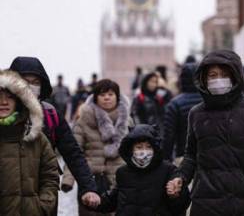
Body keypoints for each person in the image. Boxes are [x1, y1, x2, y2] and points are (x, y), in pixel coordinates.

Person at [167, 50, 244, 216]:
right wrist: (180, 177)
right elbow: (191, 155)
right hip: (205, 203)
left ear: (235, 76)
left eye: (224, 74)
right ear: (204, 79)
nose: (218, 79)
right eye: (212, 75)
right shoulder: (196, 113)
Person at [9, 56, 100, 209]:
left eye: (35, 82)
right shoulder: (3, 114)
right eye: (25, 81)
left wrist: (88, 187)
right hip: (8, 195)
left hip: (43, 194)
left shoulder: (51, 114)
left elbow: (73, 153)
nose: (30, 86)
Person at [62, 79, 131, 216]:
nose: (106, 97)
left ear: (117, 97)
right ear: (95, 97)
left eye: (110, 94)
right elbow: (74, 152)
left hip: (119, 181)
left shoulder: (127, 121)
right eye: (102, 94)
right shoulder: (83, 120)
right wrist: (68, 180)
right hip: (90, 181)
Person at [96, 124, 190, 216]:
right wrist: (93, 199)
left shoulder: (168, 170)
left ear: (155, 148)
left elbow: (180, 206)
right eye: (139, 147)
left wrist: (176, 196)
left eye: (148, 147)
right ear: (131, 149)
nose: (144, 151)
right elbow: (111, 201)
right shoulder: (123, 172)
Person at [0, 70, 58, 216]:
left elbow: (50, 176)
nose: (4, 102)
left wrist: (42, 206)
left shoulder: (35, 137)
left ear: (19, 100)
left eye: (10, 97)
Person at [163, 63, 202, 164]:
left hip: (183, 157)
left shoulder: (174, 104)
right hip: (209, 158)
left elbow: (168, 136)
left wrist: (166, 160)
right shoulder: (211, 101)